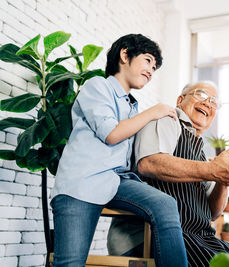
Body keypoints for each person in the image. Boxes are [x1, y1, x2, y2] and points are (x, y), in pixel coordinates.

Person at [51, 34, 188, 267]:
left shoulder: (131, 106)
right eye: (147, 61)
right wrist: (155, 111)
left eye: (154, 67)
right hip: (81, 184)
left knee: (166, 204)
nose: (150, 71)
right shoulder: (97, 86)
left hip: (116, 181)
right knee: (70, 263)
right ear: (125, 55)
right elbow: (112, 134)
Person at [108, 81, 229, 266]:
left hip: (199, 238)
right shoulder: (167, 119)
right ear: (180, 100)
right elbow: (150, 163)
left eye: (214, 102)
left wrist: (223, 181)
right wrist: (213, 170)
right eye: (200, 95)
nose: (208, 103)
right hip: (153, 237)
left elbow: (212, 213)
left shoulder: (201, 152)